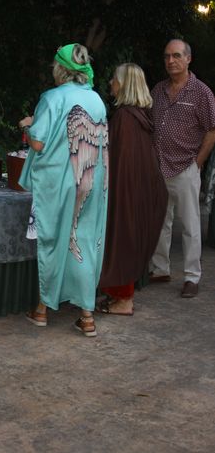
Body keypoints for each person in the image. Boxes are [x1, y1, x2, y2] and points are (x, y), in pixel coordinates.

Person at [18, 43, 108, 337]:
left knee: (53, 241)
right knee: (83, 242)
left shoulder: (52, 97)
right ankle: (87, 316)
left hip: (57, 182)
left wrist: (28, 125)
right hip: (91, 181)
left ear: (60, 68)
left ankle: (42, 311)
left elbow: (38, 143)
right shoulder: (97, 99)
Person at [97, 63, 168, 315]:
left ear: (125, 84)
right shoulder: (140, 115)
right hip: (142, 189)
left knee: (122, 241)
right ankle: (119, 297)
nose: (111, 83)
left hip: (127, 191)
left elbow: (119, 162)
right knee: (128, 240)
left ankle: (124, 301)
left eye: (115, 79)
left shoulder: (125, 118)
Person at [149, 39, 215, 297]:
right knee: (160, 221)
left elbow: (212, 130)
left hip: (186, 167)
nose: (171, 61)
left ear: (188, 59)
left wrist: (197, 163)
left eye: (176, 56)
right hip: (159, 166)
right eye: (167, 56)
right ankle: (160, 269)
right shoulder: (158, 90)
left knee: (189, 225)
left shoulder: (202, 92)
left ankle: (191, 277)